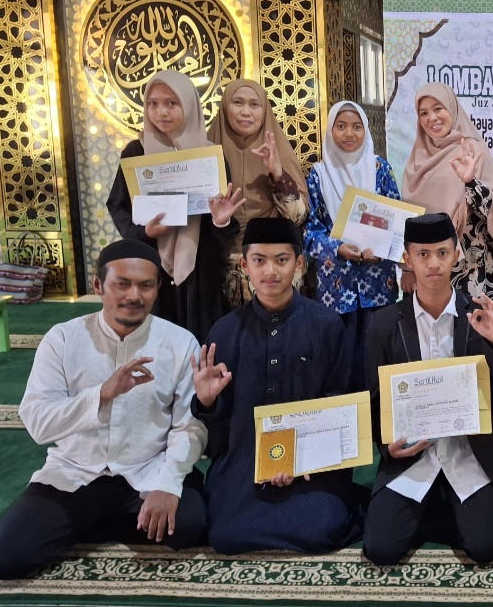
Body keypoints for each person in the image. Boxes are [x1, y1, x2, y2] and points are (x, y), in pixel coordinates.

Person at [0, 240, 207, 579]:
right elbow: (39, 423)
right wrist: (100, 396)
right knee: (6, 558)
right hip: (75, 473)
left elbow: (188, 425)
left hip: (145, 470)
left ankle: (89, 523)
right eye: (122, 284)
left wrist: (168, 484)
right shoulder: (62, 339)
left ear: (158, 288)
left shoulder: (179, 342)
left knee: (193, 525)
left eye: (145, 285)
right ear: (98, 285)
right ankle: (101, 520)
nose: (134, 295)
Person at [191, 217, 365, 554]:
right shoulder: (224, 332)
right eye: (259, 260)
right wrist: (207, 402)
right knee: (225, 534)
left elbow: (337, 403)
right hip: (246, 458)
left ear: (298, 263)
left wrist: (301, 461)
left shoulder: (326, 325)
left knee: (321, 529)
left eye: (281, 260)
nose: (270, 271)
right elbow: (219, 436)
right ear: (244, 265)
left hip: (311, 462)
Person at [363, 213, 493, 566]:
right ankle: (435, 503)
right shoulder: (383, 324)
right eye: (423, 254)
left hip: (468, 453)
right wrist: (387, 447)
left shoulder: (480, 316)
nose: (433, 264)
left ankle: (445, 505)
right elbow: (373, 400)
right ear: (407, 258)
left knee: (487, 548)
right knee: (381, 550)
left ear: (456, 255)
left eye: (442, 253)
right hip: (412, 457)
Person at [107, 70, 245, 341]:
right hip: (151, 267)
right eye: (153, 103)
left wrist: (221, 221)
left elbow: (223, 223)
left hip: (200, 270)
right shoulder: (136, 152)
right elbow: (119, 205)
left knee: (200, 343)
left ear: (189, 104)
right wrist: (144, 233)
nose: (161, 112)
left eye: (172, 103)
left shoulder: (210, 155)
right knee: (154, 344)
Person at [304, 100, 400, 389]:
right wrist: (337, 248)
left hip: (377, 285)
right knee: (340, 366)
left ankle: (378, 415)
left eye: (357, 127)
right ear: (330, 130)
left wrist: (380, 250)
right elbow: (309, 232)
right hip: (337, 288)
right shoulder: (318, 175)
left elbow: (396, 220)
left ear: (366, 130)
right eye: (341, 126)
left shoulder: (380, 169)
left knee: (377, 363)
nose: (349, 133)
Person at [209, 78, 309, 308]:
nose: (246, 111)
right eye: (238, 102)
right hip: (219, 269)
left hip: (273, 268)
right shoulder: (207, 149)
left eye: (254, 104)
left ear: (264, 111)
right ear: (225, 107)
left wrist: (277, 174)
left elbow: (298, 217)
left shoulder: (278, 151)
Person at [401, 83, 493, 299]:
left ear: (452, 108)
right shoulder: (417, 158)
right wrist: (407, 268)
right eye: (424, 113)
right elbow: (409, 219)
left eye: (438, 108)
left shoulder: (473, 150)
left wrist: (470, 182)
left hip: (471, 267)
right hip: (428, 267)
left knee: (472, 321)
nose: (432, 118)